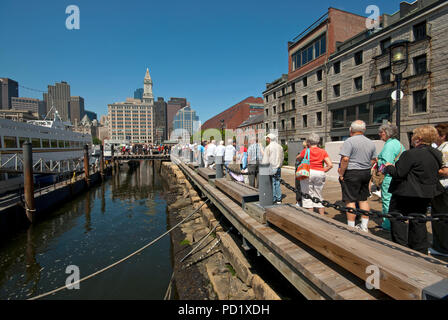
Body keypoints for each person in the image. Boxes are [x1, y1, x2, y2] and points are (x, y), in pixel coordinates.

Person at [383, 125, 444, 254]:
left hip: (405, 193)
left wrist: (388, 167)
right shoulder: (436, 153)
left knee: (397, 218)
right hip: (425, 193)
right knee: (418, 221)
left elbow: (399, 173)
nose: (412, 138)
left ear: (419, 138)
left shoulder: (410, 154)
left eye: (414, 135)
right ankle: (419, 249)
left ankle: (400, 247)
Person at [338, 120, 377, 232]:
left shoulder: (349, 141)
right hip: (365, 172)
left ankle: (350, 226)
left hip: (352, 172)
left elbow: (345, 159)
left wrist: (341, 173)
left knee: (350, 200)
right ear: (364, 130)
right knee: (363, 200)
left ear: (351, 129)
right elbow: (374, 160)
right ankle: (364, 226)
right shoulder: (370, 142)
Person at [376, 123, 405, 231]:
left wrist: (377, 162)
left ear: (387, 133)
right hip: (397, 176)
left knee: (387, 201)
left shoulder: (389, 145)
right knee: (395, 202)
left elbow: (386, 164)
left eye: (381, 132)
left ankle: (387, 224)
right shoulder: (398, 143)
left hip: (389, 177)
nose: (380, 134)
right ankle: (394, 223)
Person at [297, 133, 333, 215]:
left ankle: (311, 216)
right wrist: (323, 170)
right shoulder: (323, 151)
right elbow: (330, 165)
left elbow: (298, 158)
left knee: (307, 195)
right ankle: (322, 216)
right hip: (319, 173)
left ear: (308, 142)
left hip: (308, 172)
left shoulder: (306, 151)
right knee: (318, 194)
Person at [429, 123, 448, 256]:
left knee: (441, 218)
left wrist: (430, 169)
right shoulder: (442, 147)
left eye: (436, 134)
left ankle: (442, 248)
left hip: (443, 188)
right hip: (442, 188)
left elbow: (446, 171)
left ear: (443, 135)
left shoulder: (445, 149)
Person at [262, 133, 284, 204]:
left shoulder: (268, 147)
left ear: (270, 139)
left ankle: (274, 198)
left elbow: (265, 159)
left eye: (267, 138)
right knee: (277, 183)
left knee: (272, 183)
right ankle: (279, 198)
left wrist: (263, 168)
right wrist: (280, 165)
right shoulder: (280, 147)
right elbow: (282, 157)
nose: (266, 139)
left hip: (271, 167)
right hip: (278, 167)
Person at [295, 140, 308, 207]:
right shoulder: (313, 151)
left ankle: (299, 201)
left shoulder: (304, 151)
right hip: (310, 171)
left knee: (298, 186)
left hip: (302, 171)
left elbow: (297, 159)